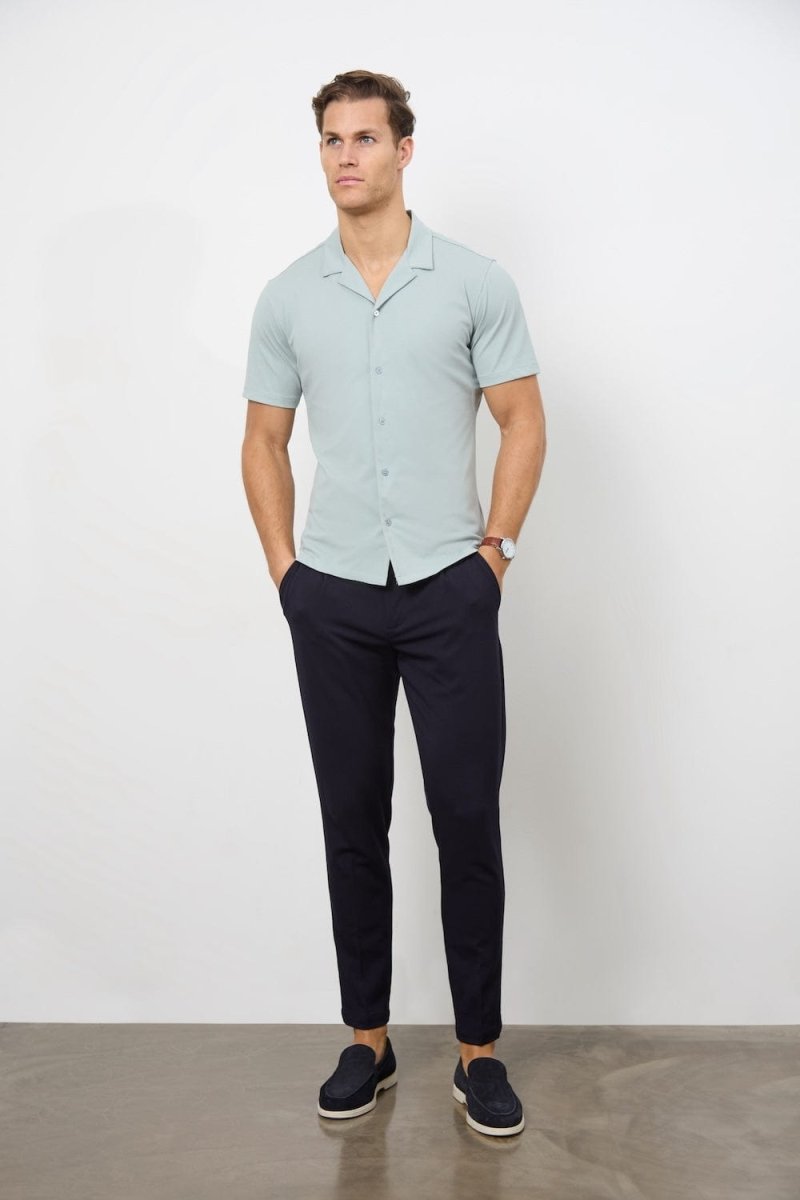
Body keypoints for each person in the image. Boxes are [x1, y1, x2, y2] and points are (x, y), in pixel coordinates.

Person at [241, 69, 546, 1138]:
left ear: (404, 150)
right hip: (331, 594)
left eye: (365, 138)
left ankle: (477, 1053)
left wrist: (493, 556)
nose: (345, 156)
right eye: (331, 139)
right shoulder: (288, 296)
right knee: (350, 821)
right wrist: (287, 572)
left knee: (465, 817)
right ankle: (366, 1041)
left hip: (448, 587)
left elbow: (521, 419)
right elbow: (263, 439)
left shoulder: (471, 283)